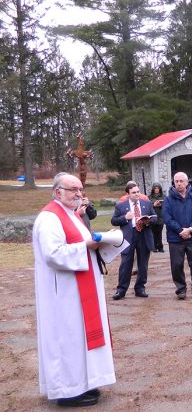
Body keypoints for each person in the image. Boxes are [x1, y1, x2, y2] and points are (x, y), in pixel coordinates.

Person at [32, 173, 115, 407]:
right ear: (58, 192)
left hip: (80, 288)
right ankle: (67, 391)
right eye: (73, 189)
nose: (79, 194)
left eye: (80, 189)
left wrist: (100, 245)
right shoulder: (49, 218)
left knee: (78, 338)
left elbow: (81, 243)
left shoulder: (71, 214)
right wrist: (87, 245)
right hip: (63, 293)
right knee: (66, 339)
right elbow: (53, 253)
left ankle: (82, 384)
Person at [162, 172, 192, 300]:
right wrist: (180, 230)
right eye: (176, 181)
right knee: (176, 265)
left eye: (182, 181)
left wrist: (190, 229)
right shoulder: (168, 200)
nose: (179, 183)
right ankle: (181, 289)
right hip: (175, 238)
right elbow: (167, 218)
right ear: (174, 183)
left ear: (187, 183)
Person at [111, 181, 156, 299]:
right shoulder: (120, 206)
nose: (137, 194)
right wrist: (124, 218)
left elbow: (155, 218)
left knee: (143, 264)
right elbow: (114, 221)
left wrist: (148, 221)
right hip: (129, 236)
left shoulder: (146, 203)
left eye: (138, 192)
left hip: (143, 235)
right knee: (126, 264)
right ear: (127, 194)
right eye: (134, 193)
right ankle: (121, 290)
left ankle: (140, 288)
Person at [149, 183, 165, 252]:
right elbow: (147, 207)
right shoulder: (149, 197)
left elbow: (167, 206)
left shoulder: (164, 197)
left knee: (159, 233)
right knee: (153, 233)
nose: (156, 190)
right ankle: (154, 247)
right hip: (152, 217)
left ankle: (160, 247)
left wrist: (161, 204)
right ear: (153, 189)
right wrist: (153, 205)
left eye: (158, 188)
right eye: (155, 188)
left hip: (160, 217)